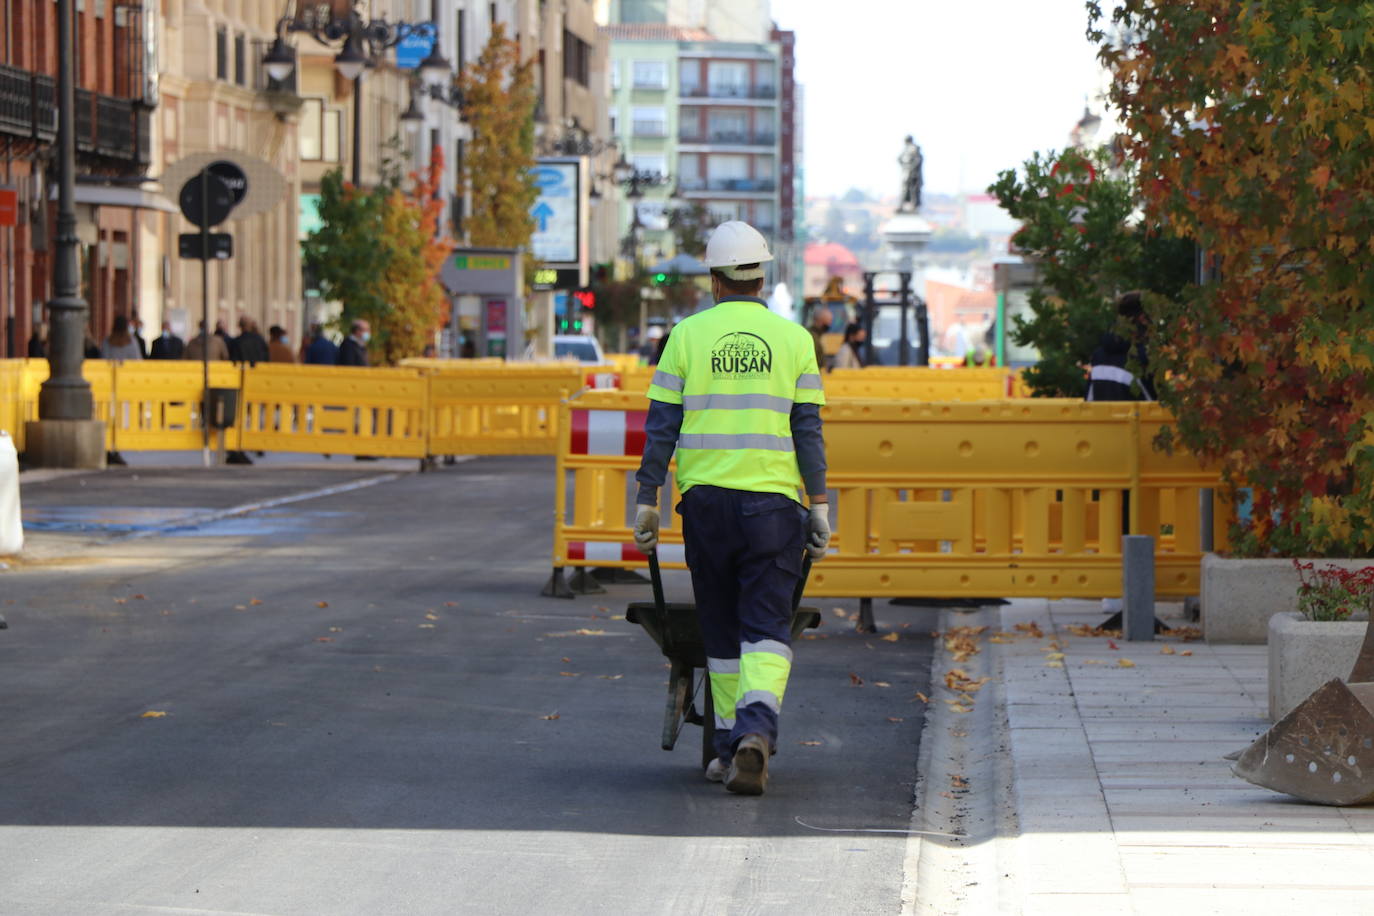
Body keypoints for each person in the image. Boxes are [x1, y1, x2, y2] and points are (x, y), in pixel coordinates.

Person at [632, 220, 830, 797]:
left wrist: (648, 500)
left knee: (719, 628)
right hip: (772, 509)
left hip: (706, 508)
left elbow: (661, 427)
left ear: (715, 281)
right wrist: (818, 506)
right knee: (767, 627)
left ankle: (725, 749)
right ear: (762, 277)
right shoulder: (794, 340)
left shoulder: (686, 337)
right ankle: (756, 733)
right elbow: (808, 431)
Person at [1086, 292, 1156, 402]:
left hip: (1101, 418)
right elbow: (1158, 405)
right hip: (1139, 418)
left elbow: (1089, 401)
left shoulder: (1098, 356)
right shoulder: (1144, 358)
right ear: (1143, 319)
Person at [808, 305, 832, 373]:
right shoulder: (814, 338)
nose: (830, 324)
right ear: (820, 321)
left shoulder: (815, 335)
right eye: (829, 321)